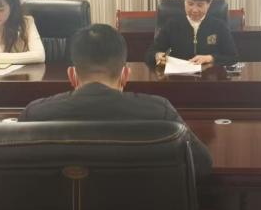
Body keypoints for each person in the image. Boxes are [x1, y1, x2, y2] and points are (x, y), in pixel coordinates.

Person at [21, 24, 213, 178]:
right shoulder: (159, 111)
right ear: (125, 75)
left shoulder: (35, 114)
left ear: (72, 76)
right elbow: (202, 164)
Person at [145, 0, 238, 68]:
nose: (194, 10)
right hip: (178, 75)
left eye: (200, 5)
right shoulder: (172, 25)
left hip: (208, 75)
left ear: (209, 3)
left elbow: (233, 57)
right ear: (184, 1)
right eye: (190, 4)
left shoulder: (219, 26)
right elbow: (150, 54)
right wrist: (157, 56)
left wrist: (210, 58)